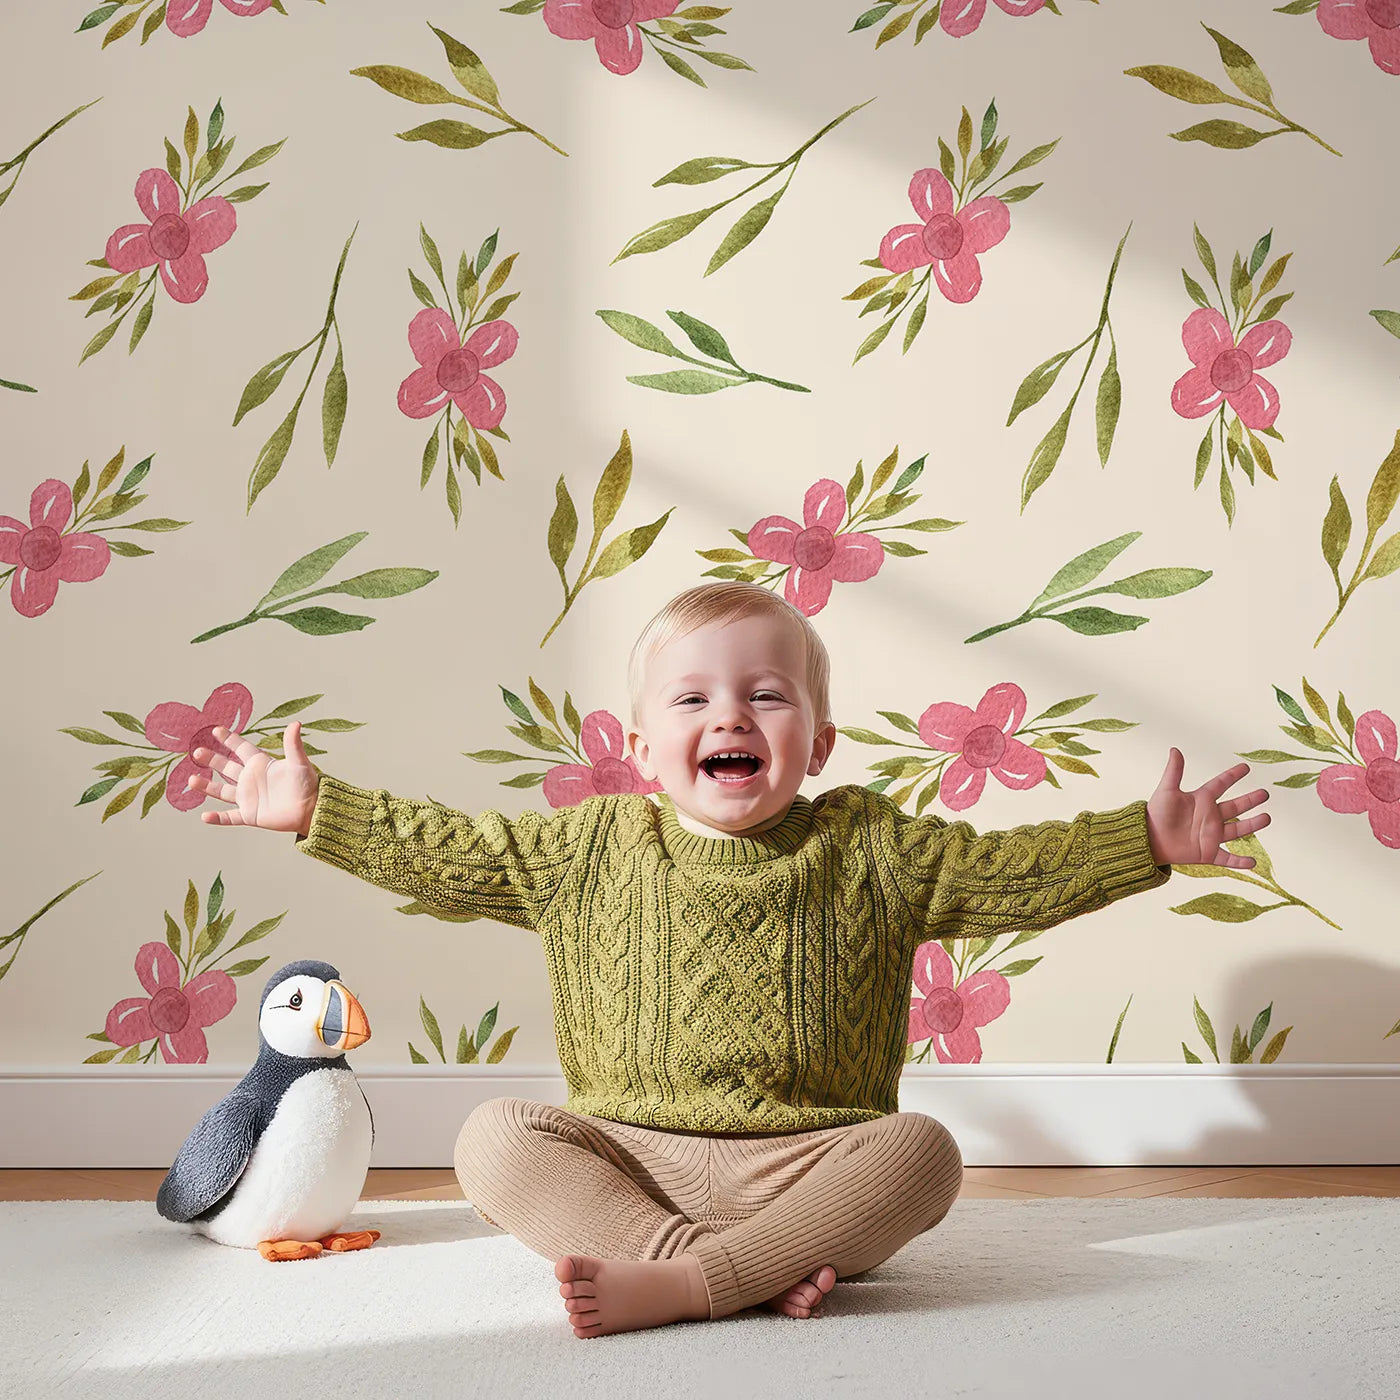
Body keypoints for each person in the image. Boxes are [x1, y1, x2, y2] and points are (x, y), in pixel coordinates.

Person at [185, 580, 1270, 1338]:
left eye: (765, 693)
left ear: (819, 740)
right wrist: (317, 808)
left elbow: (1016, 869)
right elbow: (451, 852)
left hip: (808, 1166)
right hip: (626, 1159)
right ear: (642, 744)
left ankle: (693, 1279)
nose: (730, 714)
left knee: (924, 1151)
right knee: (491, 1137)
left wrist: (1146, 840)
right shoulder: (588, 848)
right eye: (693, 697)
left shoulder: (869, 847)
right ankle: (716, 1270)